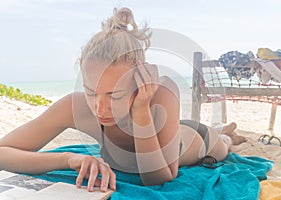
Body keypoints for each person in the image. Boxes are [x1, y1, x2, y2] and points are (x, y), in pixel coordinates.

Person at [0, 7, 246, 193]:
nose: (99, 108)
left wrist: (141, 110)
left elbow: (159, 178)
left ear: (139, 82)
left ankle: (224, 133)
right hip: (171, 132)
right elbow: (2, 152)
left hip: (196, 141)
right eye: (90, 91)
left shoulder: (162, 94)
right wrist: (67, 159)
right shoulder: (76, 107)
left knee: (223, 145)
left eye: (114, 95)